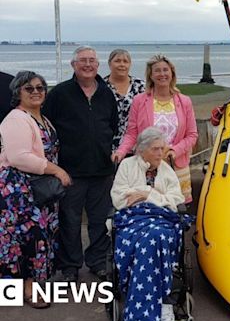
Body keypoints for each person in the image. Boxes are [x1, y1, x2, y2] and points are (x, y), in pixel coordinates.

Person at [43, 46, 118, 282]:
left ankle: (97, 261)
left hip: (102, 170)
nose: (88, 65)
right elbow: (47, 126)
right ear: (73, 65)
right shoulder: (60, 93)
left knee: (99, 221)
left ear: (98, 65)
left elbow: (113, 126)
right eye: (83, 60)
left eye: (92, 61)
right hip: (69, 170)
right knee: (70, 220)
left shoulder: (107, 93)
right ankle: (70, 266)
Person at [0, 71, 71, 308]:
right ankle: (28, 288)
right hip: (19, 190)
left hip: (39, 189)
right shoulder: (16, 118)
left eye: (40, 87)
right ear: (18, 92)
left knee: (43, 237)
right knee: (28, 239)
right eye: (29, 88)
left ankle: (35, 282)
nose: (36, 92)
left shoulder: (41, 118)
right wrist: (57, 171)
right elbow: (19, 157)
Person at [111, 127, 191, 321]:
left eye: (162, 149)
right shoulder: (127, 166)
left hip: (161, 220)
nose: (160, 153)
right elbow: (119, 197)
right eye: (155, 149)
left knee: (155, 236)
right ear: (142, 150)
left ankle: (147, 315)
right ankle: (160, 304)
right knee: (151, 238)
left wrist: (146, 193)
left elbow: (176, 200)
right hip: (133, 220)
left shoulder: (166, 170)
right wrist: (154, 196)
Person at [113, 54, 198, 204]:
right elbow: (132, 133)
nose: (162, 74)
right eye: (157, 71)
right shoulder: (140, 101)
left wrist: (175, 150)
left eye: (165, 70)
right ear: (151, 75)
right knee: (145, 203)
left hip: (175, 163)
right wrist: (120, 152)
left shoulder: (184, 101)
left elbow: (192, 135)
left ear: (172, 73)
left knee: (175, 206)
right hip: (147, 165)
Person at [104, 49, 145, 151]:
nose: (122, 64)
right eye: (117, 61)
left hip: (137, 145)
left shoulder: (141, 86)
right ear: (110, 64)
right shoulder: (101, 87)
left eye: (125, 61)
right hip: (108, 145)